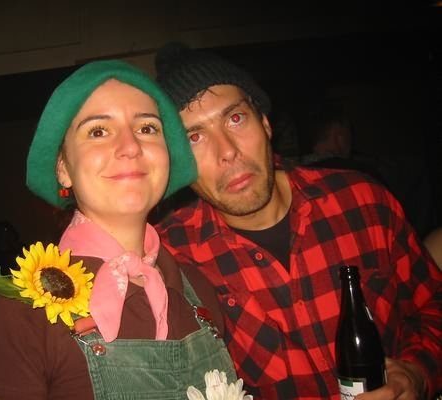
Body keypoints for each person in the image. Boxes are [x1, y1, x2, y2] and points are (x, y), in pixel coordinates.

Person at [154, 43, 442, 399]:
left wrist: (417, 373)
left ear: (265, 123)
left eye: (235, 118)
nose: (227, 151)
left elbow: (433, 305)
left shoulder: (362, 201)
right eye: (194, 137)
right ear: (178, 162)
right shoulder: (171, 256)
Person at [0, 60, 239, 399]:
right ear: (63, 169)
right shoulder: (20, 316)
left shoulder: (198, 289)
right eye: (98, 131)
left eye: (147, 128)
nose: (131, 146)